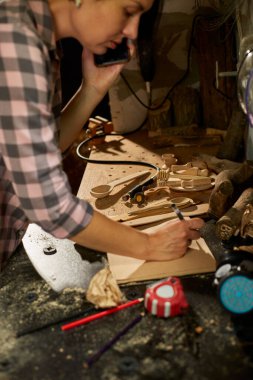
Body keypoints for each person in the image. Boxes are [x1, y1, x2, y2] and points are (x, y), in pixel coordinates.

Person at [0, 0, 204, 272]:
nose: (132, 31)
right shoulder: (15, 37)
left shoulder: (41, 38)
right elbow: (47, 204)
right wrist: (149, 245)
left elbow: (46, 146)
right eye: (129, 11)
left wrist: (92, 89)